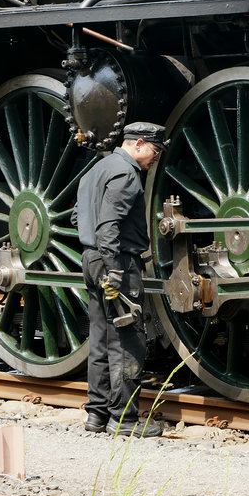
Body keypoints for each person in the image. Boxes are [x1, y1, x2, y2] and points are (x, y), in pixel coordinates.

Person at [75, 121, 167, 438]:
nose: (155, 157)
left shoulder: (96, 169)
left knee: (100, 339)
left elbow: (79, 216)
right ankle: (125, 419)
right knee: (128, 340)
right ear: (138, 143)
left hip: (91, 259)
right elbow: (109, 224)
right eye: (155, 150)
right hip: (118, 264)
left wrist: (98, 260)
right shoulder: (126, 174)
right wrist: (114, 269)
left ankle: (97, 415)